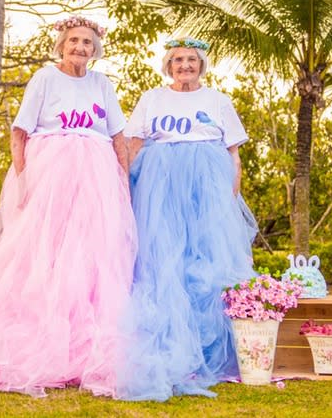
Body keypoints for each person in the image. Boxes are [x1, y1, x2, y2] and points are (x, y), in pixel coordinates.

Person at [0, 16, 137, 399]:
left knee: (91, 258)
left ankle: (84, 352)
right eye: (73, 41)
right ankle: (36, 345)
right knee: (42, 254)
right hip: (52, 172)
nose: (80, 47)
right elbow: (19, 132)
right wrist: (24, 178)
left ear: (96, 49)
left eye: (87, 43)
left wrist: (122, 180)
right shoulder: (45, 78)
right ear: (61, 45)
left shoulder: (101, 84)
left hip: (95, 178)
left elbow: (118, 135)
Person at [115, 38, 257, 401]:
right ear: (168, 65)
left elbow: (233, 154)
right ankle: (166, 346)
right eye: (177, 60)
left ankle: (210, 353)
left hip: (206, 189)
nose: (185, 66)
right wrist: (131, 188)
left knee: (206, 266)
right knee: (163, 263)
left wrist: (230, 198)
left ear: (202, 65)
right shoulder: (152, 98)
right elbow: (133, 143)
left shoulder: (218, 101)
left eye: (191, 60)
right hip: (161, 188)